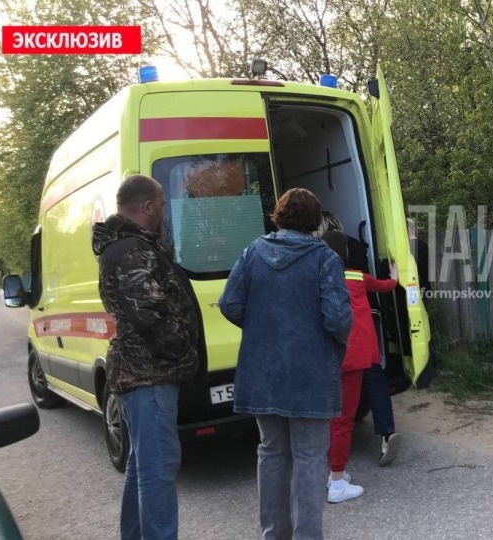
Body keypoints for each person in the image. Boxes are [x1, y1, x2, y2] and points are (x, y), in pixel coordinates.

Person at [218, 188, 352, 540]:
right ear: (314, 221)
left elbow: (229, 303)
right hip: (310, 373)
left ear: (277, 215)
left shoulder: (252, 254)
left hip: (262, 371)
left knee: (271, 452)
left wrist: (263, 328)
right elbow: (338, 319)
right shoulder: (325, 259)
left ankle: (274, 534)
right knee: (309, 457)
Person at [92, 174, 200, 540]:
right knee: (158, 470)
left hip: (141, 373)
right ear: (149, 206)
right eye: (162, 204)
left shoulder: (127, 245)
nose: (165, 210)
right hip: (149, 375)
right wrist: (185, 344)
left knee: (142, 466)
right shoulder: (131, 249)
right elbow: (149, 313)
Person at [316, 212, 404, 466]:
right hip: (366, 330)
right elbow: (382, 284)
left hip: (341, 339)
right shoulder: (354, 253)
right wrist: (395, 277)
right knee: (375, 380)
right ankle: (387, 432)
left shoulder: (319, 257)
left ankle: (328, 445)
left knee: (339, 394)